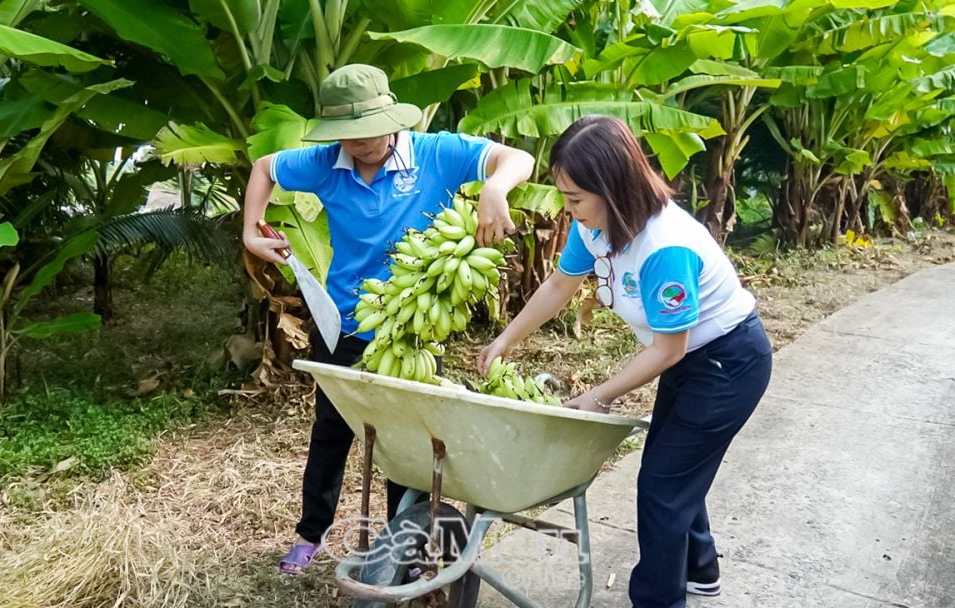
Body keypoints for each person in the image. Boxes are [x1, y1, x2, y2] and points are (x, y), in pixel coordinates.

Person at [242, 64, 535, 575]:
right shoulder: (323, 162)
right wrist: (251, 232)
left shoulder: (435, 154)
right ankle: (312, 533)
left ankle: (402, 540)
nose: (359, 145)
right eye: (347, 137)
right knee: (332, 430)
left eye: (368, 132)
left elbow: (518, 157)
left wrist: (495, 187)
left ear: (393, 117)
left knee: (409, 441)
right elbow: (265, 167)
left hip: (414, 329)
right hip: (346, 320)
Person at [477, 115, 772, 608]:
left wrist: (596, 396)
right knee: (674, 467)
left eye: (575, 199)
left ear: (612, 188)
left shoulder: (665, 247)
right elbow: (559, 286)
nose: (569, 211)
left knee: (661, 483)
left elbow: (668, 348)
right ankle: (702, 572)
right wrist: (505, 339)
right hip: (691, 359)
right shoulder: (594, 226)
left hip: (728, 363)